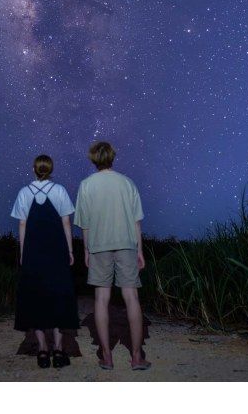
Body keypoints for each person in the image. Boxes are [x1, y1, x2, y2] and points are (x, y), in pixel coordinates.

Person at [73, 140, 151, 371]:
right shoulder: (127, 183)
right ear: (112, 158)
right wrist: (139, 250)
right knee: (132, 299)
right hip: (126, 245)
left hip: (99, 247)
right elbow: (137, 222)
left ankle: (106, 356)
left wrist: (86, 250)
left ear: (93, 159)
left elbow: (84, 224)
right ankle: (137, 357)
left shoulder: (86, 185)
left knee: (101, 300)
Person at [11, 154, 80, 369]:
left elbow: (22, 225)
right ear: (50, 169)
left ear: (34, 169)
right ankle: (58, 351)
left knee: (36, 297)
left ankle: (42, 351)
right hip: (56, 251)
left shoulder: (24, 192)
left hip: (33, 252)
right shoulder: (59, 190)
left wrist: (23, 253)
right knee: (59, 296)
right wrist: (70, 249)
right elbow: (66, 222)